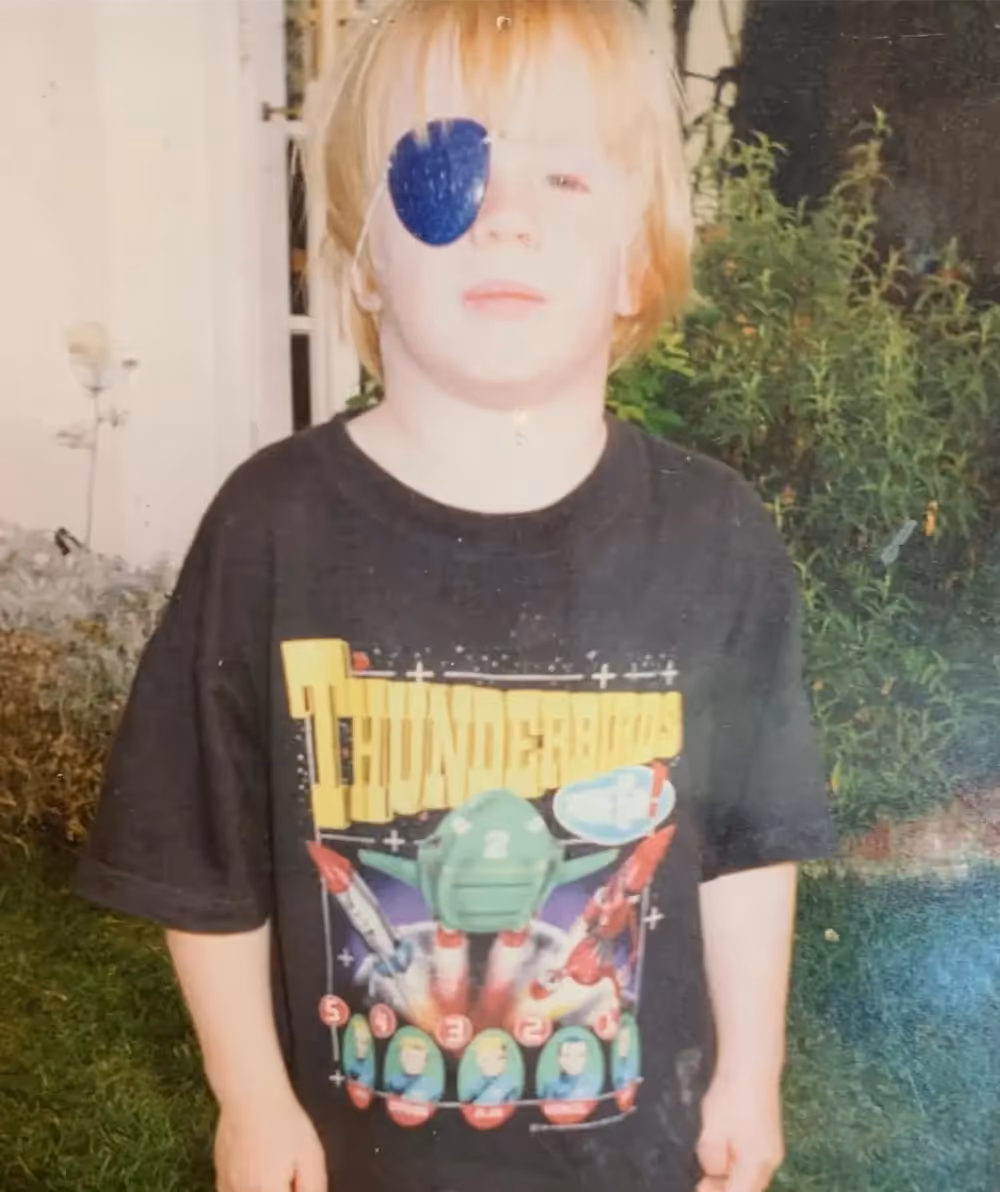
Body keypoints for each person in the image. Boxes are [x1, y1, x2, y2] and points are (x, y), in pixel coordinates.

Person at [73, 1, 838, 1190]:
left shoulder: (714, 535)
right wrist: (250, 1098)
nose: (506, 216)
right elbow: (200, 855)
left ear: (636, 261)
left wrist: (750, 1071)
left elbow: (746, 845)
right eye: (446, 164)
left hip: (637, 1153)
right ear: (369, 255)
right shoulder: (271, 526)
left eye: (567, 179)